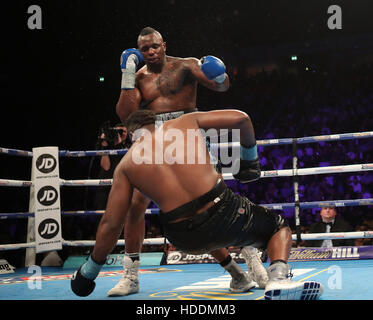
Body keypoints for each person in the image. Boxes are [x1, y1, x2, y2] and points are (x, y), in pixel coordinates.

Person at [71, 109, 323, 300]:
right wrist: (249, 162)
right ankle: (277, 279)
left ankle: (238, 275)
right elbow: (242, 119)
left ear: (130, 135)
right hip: (224, 213)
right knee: (278, 226)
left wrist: (88, 273)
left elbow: (111, 223)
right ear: (156, 124)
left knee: (197, 222)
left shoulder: (126, 166)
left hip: (181, 237)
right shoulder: (183, 122)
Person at [110, 26, 267, 296]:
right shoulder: (136, 77)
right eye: (144, 48)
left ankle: (250, 256)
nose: (150, 52)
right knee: (136, 204)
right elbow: (126, 114)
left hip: (188, 132)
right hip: (154, 139)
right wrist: (126, 74)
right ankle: (131, 276)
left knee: (213, 204)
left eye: (154, 46)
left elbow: (221, 86)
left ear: (164, 45)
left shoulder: (186, 66)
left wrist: (219, 73)